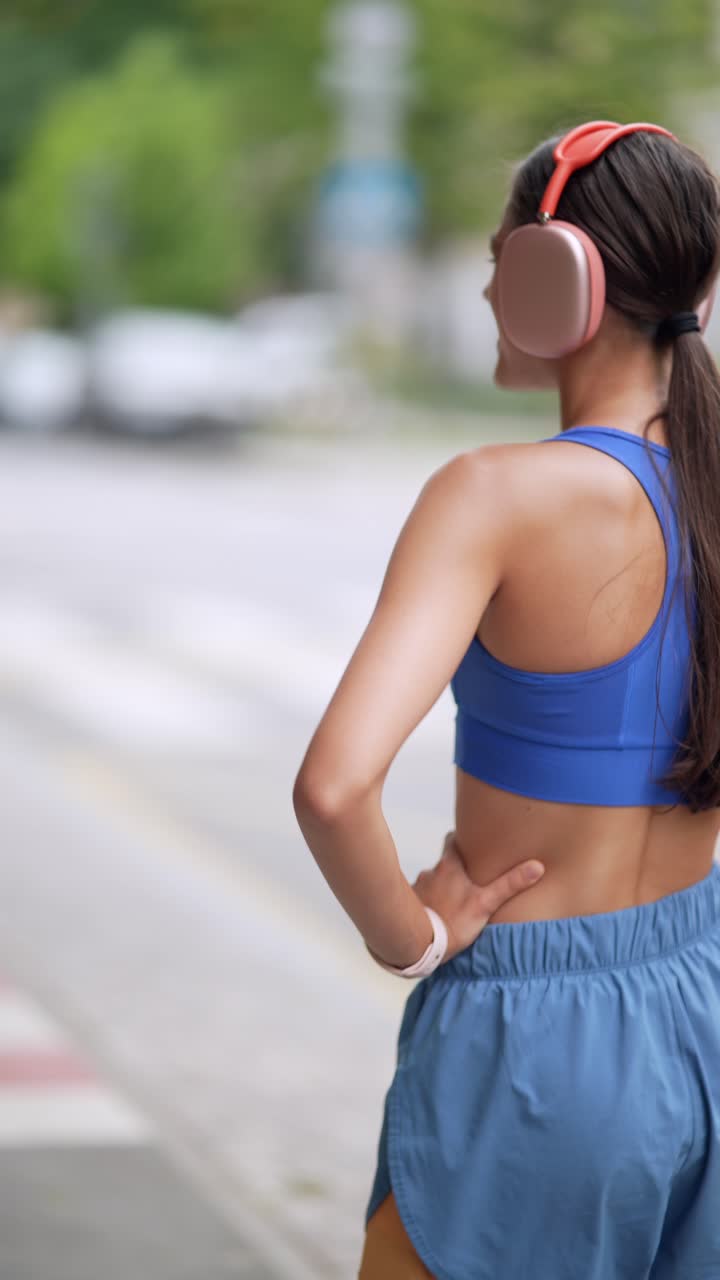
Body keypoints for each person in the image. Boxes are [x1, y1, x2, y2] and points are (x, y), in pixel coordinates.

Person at [292, 119, 720, 1279]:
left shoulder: (494, 495)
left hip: (537, 1048)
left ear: (552, 275)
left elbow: (334, 789)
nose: (486, 284)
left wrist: (415, 931)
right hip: (705, 1008)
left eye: (499, 253)